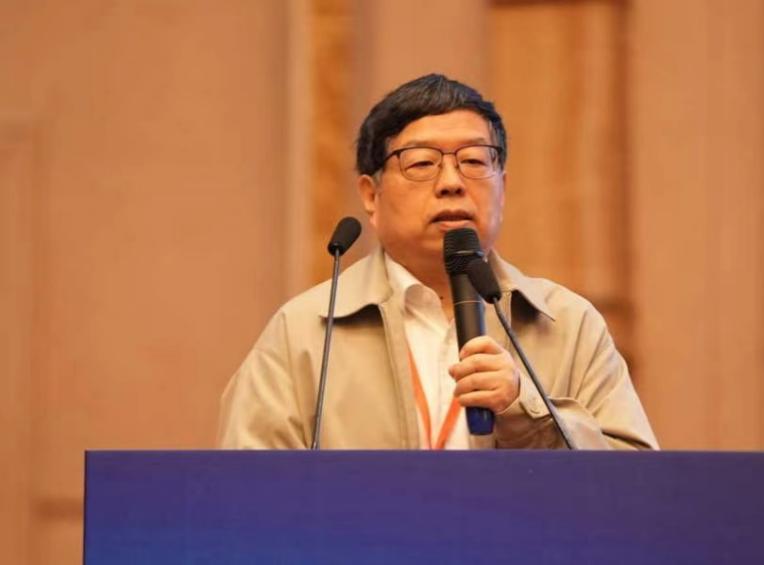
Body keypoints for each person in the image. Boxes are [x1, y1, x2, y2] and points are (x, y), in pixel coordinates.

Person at [218, 74, 657, 450]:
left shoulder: (567, 324)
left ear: (502, 187)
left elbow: (635, 487)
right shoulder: (304, 334)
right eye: (422, 163)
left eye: (473, 161)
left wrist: (523, 409)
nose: (451, 182)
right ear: (370, 195)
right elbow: (245, 493)